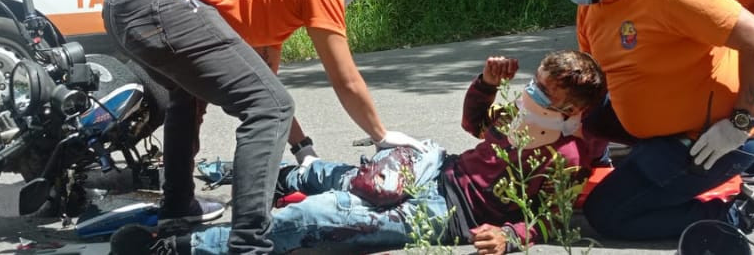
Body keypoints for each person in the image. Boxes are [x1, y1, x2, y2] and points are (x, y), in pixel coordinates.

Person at [101, 0, 426, 254]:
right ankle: (250, 245)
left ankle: (178, 210)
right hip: (156, 1)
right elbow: (344, 79)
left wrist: (304, 150)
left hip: (124, 2)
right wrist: (381, 135)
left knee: (191, 97)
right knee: (269, 107)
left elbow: (265, 87)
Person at [108, 50, 608, 255]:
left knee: (324, 218)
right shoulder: (523, 119)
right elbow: (473, 124)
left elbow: (551, 218)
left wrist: (510, 235)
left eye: (547, 94)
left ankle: (185, 248)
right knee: (346, 178)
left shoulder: (564, 156)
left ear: (572, 110)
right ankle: (270, 176)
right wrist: (484, 82)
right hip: (438, 167)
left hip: (447, 213)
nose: (533, 96)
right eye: (536, 85)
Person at [520, 0, 754, 240]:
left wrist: (739, 123)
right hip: (656, 128)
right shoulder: (594, 6)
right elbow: (592, 84)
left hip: (712, 138)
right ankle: (642, 168)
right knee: (580, 117)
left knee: (607, 215)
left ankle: (732, 212)